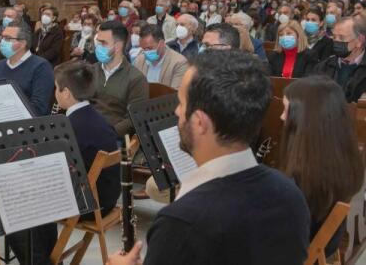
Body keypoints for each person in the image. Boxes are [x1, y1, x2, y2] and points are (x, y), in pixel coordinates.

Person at [107, 50, 311, 265]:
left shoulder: (182, 223)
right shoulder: (291, 194)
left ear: (200, 122)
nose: (176, 112)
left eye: (181, 104)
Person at [279, 76, 365, 258]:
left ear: (305, 120)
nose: (281, 117)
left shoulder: (300, 179)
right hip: (323, 250)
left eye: (286, 110)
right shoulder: (343, 161)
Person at [54, 60, 120, 217]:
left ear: (66, 93)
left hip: (89, 205)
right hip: (107, 199)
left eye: (56, 88)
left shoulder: (71, 127)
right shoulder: (95, 116)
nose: (55, 92)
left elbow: (59, 173)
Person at [90, 21, 148, 138]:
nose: (98, 47)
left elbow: (135, 118)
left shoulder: (136, 78)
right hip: (87, 129)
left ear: (117, 47)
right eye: (98, 42)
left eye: (103, 43)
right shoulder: (91, 70)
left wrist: (109, 133)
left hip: (113, 136)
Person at [0, 21, 54, 116]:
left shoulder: (41, 67)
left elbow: (39, 107)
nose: (2, 41)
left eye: (7, 38)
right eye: (2, 37)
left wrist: (5, 112)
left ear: (23, 43)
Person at [314, 15, 366, 102]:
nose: (336, 41)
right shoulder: (322, 67)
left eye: (342, 37)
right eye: (334, 37)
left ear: (359, 41)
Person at [134, 24, 188, 89]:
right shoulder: (139, 60)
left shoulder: (179, 63)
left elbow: (175, 93)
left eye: (149, 48)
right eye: (143, 49)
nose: (146, 52)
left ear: (161, 43)